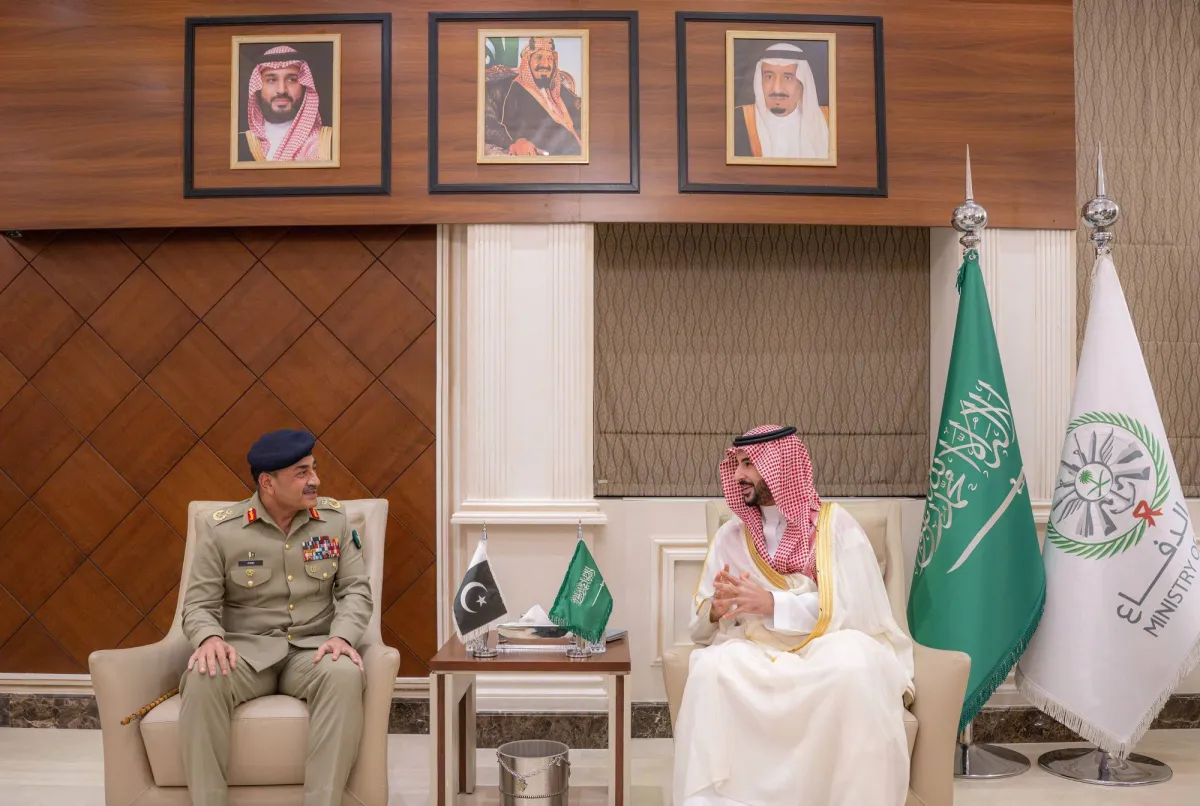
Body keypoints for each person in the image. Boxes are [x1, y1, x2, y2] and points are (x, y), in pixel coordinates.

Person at [673, 425, 915, 806]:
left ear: (779, 466)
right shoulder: (730, 538)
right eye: (737, 464)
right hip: (755, 649)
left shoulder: (834, 527)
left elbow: (856, 606)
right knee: (710, 669)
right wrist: (717, 611)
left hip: (825, 644)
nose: (738, 475)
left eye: (749, 464)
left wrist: (772, 603)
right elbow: (698, 627)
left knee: (855, 669)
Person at [179, 428, 371, 806]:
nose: (315, 479)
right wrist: (209, 638)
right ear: (268, 482)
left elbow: (355, 591)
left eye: (313, 468)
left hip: (312, 651)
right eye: (302, 472)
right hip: (246, 654)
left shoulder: (333, 520)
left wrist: (342, 637)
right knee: (203, 677)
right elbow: (198, 603)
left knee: (344, 674)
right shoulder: (222, 529)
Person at [483, 36, 583, 157]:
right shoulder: (514, 89)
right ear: (528, 61)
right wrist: (516, 142)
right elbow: (503, 123)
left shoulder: (558, 89)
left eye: (550, 58)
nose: (545, 64)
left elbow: (581, 108)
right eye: (538, 57)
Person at [732, 43, 830, 160]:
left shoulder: (828, 120)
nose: (777, 89)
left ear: (803, 83)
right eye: (769, 77)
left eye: (788, 78)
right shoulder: (737, 120)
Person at [238, 45, 334, 163]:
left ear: (304, 86)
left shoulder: (328, 143)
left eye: (291, 79)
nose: (282, 90)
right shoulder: (239, 145)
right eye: (271, 80)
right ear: (258, 87)